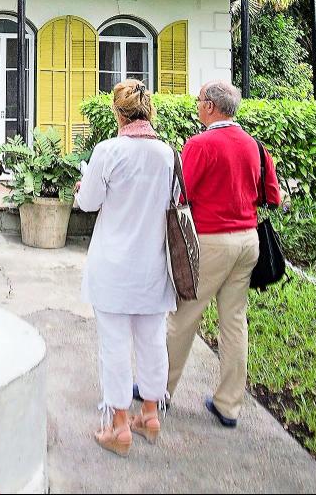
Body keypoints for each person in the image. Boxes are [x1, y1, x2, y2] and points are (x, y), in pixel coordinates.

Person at [166, 79, 281, 429]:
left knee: (184, 316)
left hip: (212, 241)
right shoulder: (255, 146)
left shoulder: (200, 144)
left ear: (211, 107)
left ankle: (160, 390)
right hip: (248, 241)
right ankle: (229, 405)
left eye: (200, 100)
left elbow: (180, 194)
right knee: (234, 322)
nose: (197, 105)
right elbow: (272, 197)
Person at [74, 80, 176, 456]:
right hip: (154, 262)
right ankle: (150, 412)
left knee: (114, 345)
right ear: (147, 111)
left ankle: (119, 424)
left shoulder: (109, 150)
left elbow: (88, 202)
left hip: (114, 264)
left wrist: (82, 185)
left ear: (118, 112)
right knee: (152, 341)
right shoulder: (166, 153)